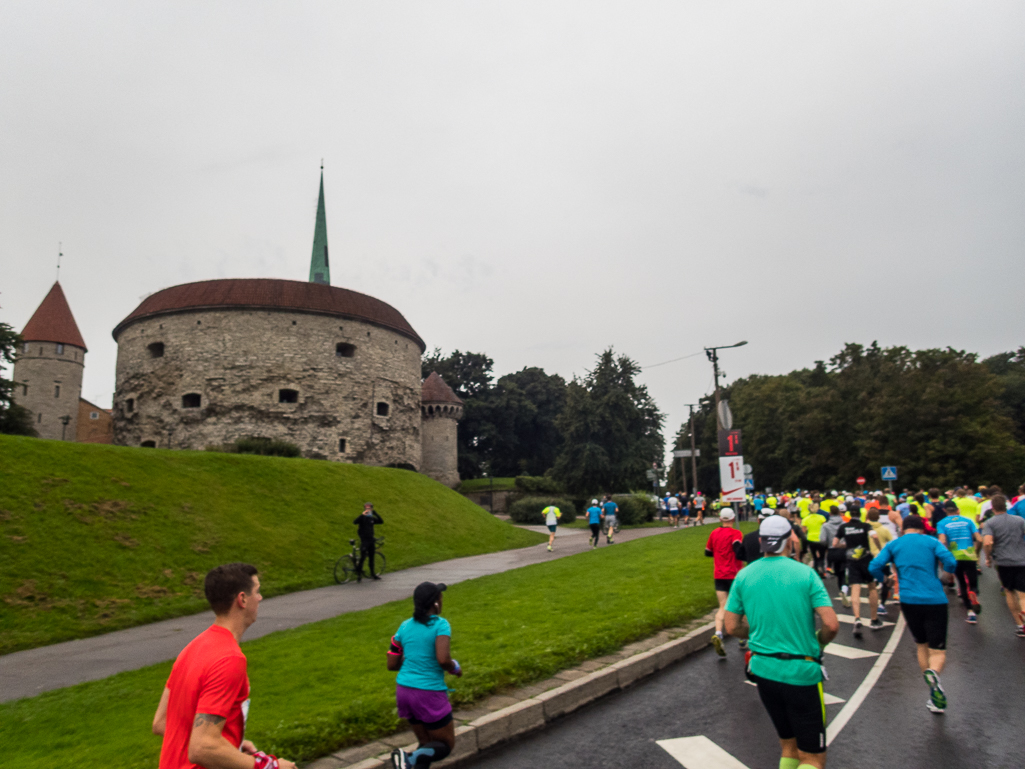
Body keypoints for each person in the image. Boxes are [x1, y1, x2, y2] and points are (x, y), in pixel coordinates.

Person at [153, 563, 298, 769]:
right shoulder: (230, 659)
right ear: (242, 599)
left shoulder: (193, 648)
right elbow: (203, 746)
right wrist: (269, 766)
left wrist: (230, 749)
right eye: (257, 591)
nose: (260, 598)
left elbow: (161, 721)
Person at [724, 515, 839, 769]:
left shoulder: (744, 575)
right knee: (812, 757)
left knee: (788, 746)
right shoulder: (805, 574)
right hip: (802, 672)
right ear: (789, 542)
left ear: (763, 541)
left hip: (763, 670)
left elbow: (731, 626)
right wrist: (818, 642)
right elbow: (831, 624)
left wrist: (754, 636)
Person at [869, 515, 956, 713]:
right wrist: (945, 575)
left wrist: (886, 580)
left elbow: (874, 566)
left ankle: (932, 689)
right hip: (935, 599)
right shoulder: (931, 542)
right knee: (938, 649)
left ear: (903, 529)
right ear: (921, 529)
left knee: (921, 644)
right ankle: (934, 673)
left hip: (908, 600)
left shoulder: (894, 544)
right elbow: (950, 561)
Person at [388, 582, 462, 769]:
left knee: (426, 744)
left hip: (404, 692)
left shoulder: (404, 627)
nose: (442, 601)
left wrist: (413, 660)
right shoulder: (440, 625)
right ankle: (408, 758)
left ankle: (410, 759)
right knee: (445, 745)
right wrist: (455, 667)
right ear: (435, 603)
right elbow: (443, 659)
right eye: (440, 598)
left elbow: (391, 663)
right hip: (428, 693)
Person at [832, 510, 883, 636]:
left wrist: (846, 546)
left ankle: (857, 618)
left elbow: (834, 543)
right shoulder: (865, 526)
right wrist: (879, 548)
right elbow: (874, 536)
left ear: (849, 514)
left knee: (855, 588)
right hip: (866, 559)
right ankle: (874, 619)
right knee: (872, 587)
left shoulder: (843, 527)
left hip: (852, 560)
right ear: (860, 515)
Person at [981, 495, 1025, 638]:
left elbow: (987, 542)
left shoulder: (990, 523)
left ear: (992, 508)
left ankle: (1020, 625)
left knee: (1009, 592)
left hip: (1004, 562)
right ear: (1006, 506)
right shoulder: (1019, 520)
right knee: (1023, 594)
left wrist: (988, 557)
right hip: (1021, 560)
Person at [705, 508, 744, 657]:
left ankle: (718, 633)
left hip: (719, 574)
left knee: (722, 606)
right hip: (734, 574)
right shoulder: (736, 533)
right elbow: (737, 549)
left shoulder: (714, 533)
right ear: (733, 519)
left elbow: (707, 552)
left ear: (720, 519)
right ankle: (742, 638)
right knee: (740, 606)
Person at [936, 500, 982, 623]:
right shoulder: (968, 521)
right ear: (958, 510)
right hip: (969, 555)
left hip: (954, 556)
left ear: (945, 511)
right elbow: (979, 538)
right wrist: (976, 552)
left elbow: (942, 540)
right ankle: (973, 591)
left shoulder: (941, 523)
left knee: (961, 582)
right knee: (972, 581)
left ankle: (970, 612)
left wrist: (944, 556)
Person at [820, 505, 847, 601]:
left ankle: (841, 587)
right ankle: (843, 588)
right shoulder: (844, 524)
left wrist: (828, 543)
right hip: (843, 550)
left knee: (837, 572)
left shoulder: (826, 525)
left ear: (830, 514)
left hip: (832, 551)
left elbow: (822, 539)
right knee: (843, 571)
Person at [354, 503, 384, 581]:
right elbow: (355, 522)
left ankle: (373, 574)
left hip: (371, 540)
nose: (368, 510)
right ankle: (359, 575)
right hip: (364, 541)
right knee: (362, 558)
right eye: (366, 508)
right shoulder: (362, 518)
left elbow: (381, 521)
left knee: (371, 558)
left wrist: (375, 513)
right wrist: (362, 515)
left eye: (369, 508)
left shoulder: (372, 519)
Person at [802, 503, 828, 577]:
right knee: (822, 555)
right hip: (821, 539)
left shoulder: (805, 519)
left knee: (814, 555)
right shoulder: (821, 517)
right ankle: (822, 569)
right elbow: (825, 527)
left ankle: (816, 570)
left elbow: (804, 531)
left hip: (811, 539)